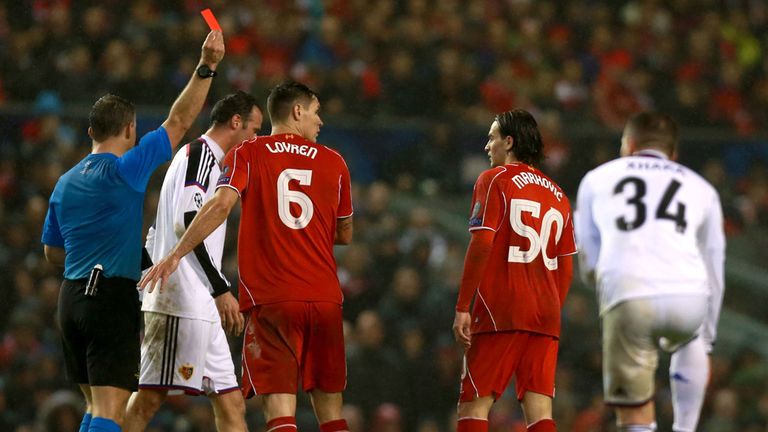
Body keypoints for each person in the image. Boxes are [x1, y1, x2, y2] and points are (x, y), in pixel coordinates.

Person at [139, 81, 354, 432]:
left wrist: (176, 253)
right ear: (297, 112)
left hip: (273, 299)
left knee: (280, 407)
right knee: (332, 411)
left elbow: (220, 206)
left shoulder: (250, 152)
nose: (321, 122)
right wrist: (306, 230)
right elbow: (345, 233)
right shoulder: (335, 161)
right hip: (325, 298)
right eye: (316, 112)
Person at [40, 30, 225, 432]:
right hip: (108, 296)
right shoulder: (126, 170)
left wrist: (90, 249)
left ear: (91, 131)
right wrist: (207, 66)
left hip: (70, 300)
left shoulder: (65, 182)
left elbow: (52, 254)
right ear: (129, 129)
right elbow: (178, 121)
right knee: (111, 412)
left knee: (93, 407)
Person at [574, 111, 725, 432]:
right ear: (673, 155)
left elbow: (588, 262)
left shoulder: (596, 178)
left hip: (629, 292)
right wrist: (708, 333)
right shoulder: (702, 188)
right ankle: (686, 428)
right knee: (693, 341)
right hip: (689, 294)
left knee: (635, 413)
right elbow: (714, 263)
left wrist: (601, 281)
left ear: (628, 145)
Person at [123, 91, 263, 432]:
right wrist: (219, 288)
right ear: (236, 122)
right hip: (182, 301)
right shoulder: (201, 155)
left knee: (231, 403)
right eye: (255, 130)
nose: (256, 139)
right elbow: (187, 218)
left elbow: (155, 233)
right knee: (149, 399)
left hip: (199, 304)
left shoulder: (205, 161)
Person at [451, 109, 577, 432]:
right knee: (540, 410)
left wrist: (463, 306)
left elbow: (481, 244)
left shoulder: (493, 180)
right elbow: (565, 267)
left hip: (501, 308)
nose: (486, 146)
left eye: (491, 138)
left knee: (474, 404)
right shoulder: (559, 196)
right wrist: (550, 309)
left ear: (509, 142)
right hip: (546, 313)